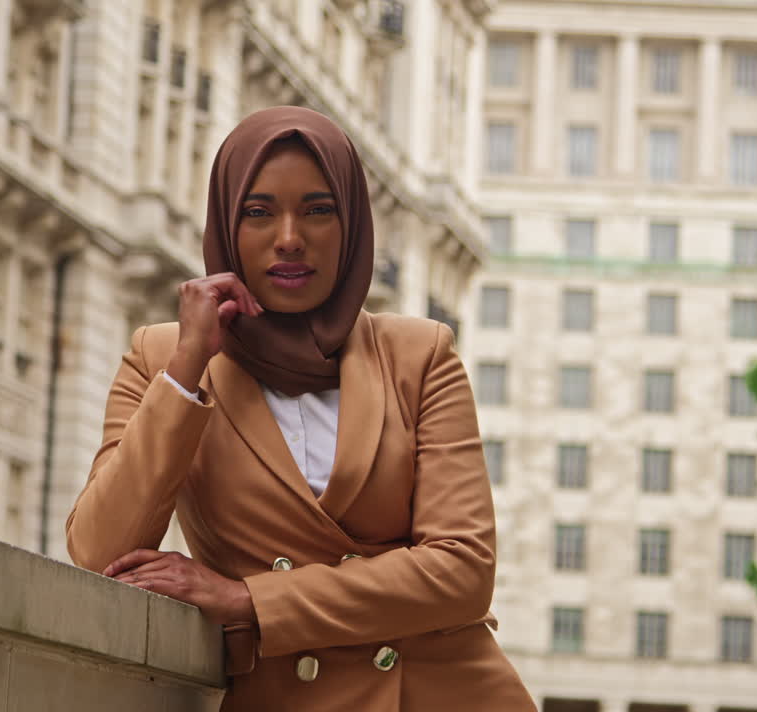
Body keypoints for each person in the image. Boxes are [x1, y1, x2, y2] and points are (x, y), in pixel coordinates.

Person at [65, 106, 536, 711]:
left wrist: (251, 601)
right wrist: (188, 367)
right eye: (259, 212)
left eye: (319, 210)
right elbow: (100, 554)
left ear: (353, 226)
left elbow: (463, 571)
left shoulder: (420, 354)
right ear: (227, 224)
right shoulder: (162, 356)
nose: (290, 237)